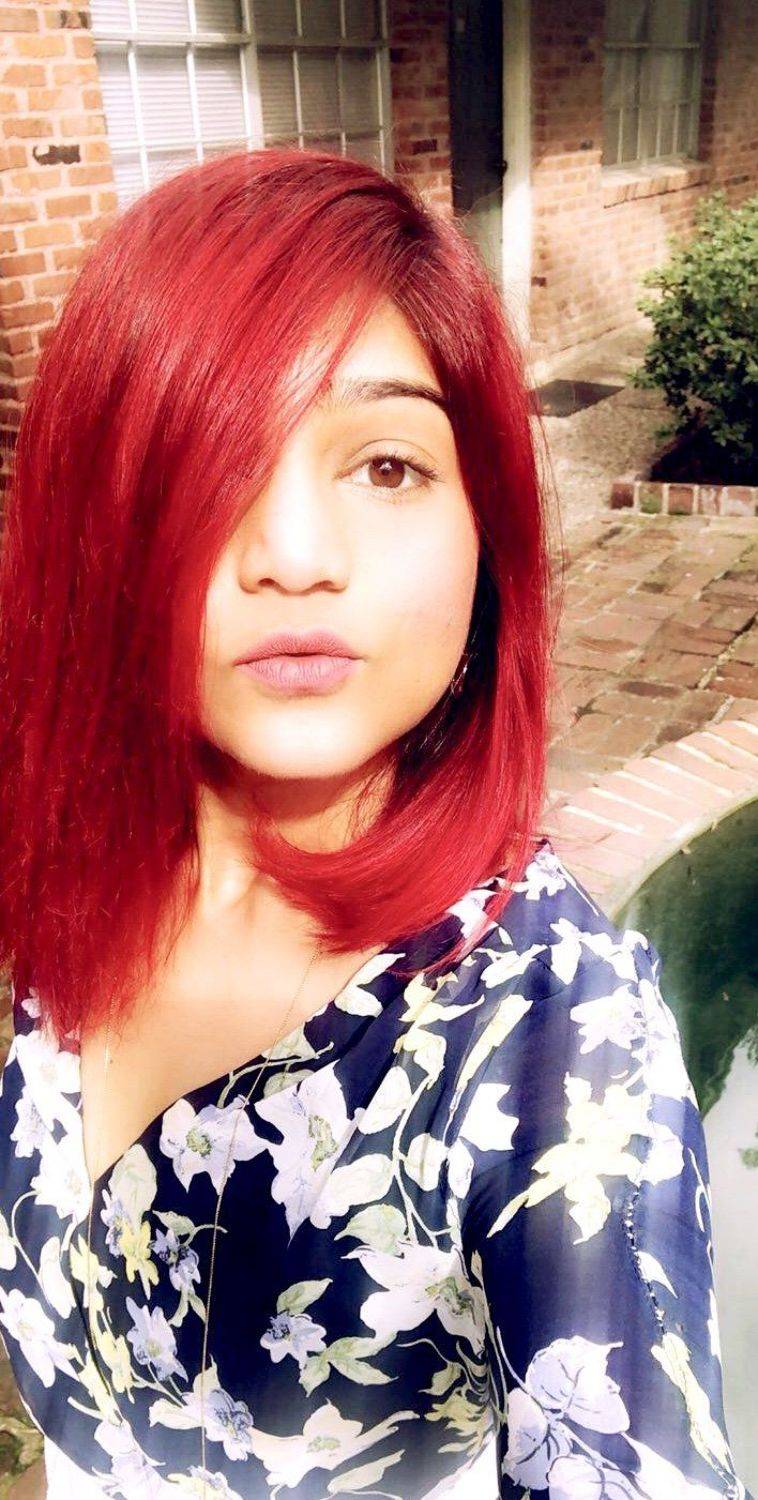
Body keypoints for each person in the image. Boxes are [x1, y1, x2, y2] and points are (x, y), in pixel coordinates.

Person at [0, 148, 750, 1500]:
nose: (294, 553)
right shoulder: (82, 863)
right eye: (210, 461)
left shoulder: (551, 1038)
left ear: (485, 535)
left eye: (388, 465)